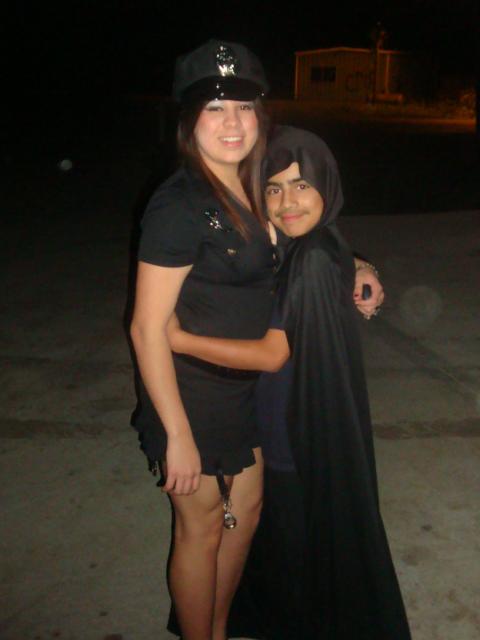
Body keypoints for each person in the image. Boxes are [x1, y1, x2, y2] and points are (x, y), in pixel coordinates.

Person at [130, 38, 384, 640]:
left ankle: (219, 627)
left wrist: (358, 265)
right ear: (189, 121)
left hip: (251, 391)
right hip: (195, 397)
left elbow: (301, 231)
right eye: (214, 108)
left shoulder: (255, 179)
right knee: (201, 528)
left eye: (243, 107)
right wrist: (178, 436)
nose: (232, 123)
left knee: (245, 513)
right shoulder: (179, 206)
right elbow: (147, 328)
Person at [168, 126, 411, 639]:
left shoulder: (312, 258)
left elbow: (271, 354)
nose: (287, 202)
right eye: (274, 189)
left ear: (327, 184)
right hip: (305, 424)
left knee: (296, 556)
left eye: (302, 185)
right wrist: (362, 265)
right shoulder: (315, 244)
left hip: (291, 428)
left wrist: (179, 340)